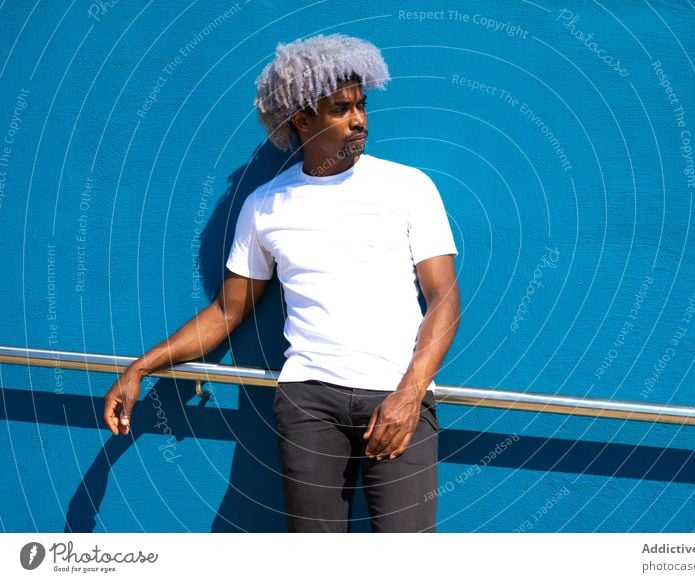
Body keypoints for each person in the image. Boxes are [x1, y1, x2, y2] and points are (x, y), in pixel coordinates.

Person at [103, 34, 460, 533]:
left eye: (361, 105)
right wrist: (141, 368)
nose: (359, 121)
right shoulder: (265, 205)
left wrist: (410, 393)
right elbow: (227, 312)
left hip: (398, 392)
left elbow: (444, 298)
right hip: (309, 402)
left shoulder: (408, 187)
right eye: (340, 109)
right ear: (301, 118)